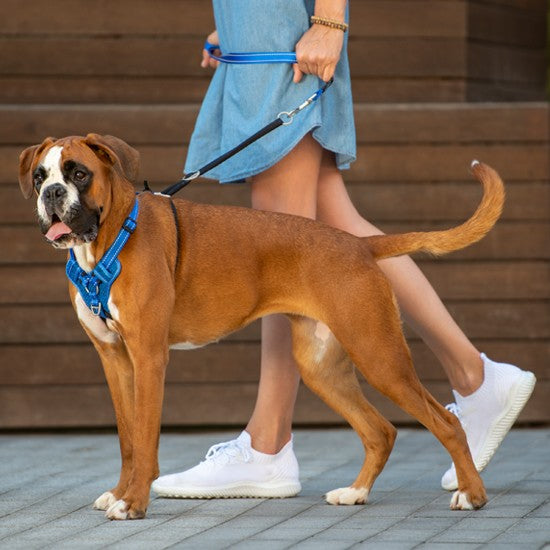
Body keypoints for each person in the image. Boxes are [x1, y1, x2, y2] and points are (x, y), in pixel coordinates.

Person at [152, 0, 536, 499]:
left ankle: (267, 446)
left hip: (284, 50)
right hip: (267, 36)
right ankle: (475, 375)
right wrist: (236, 21)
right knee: (338, 234)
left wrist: (329, 18)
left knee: (281, 257)